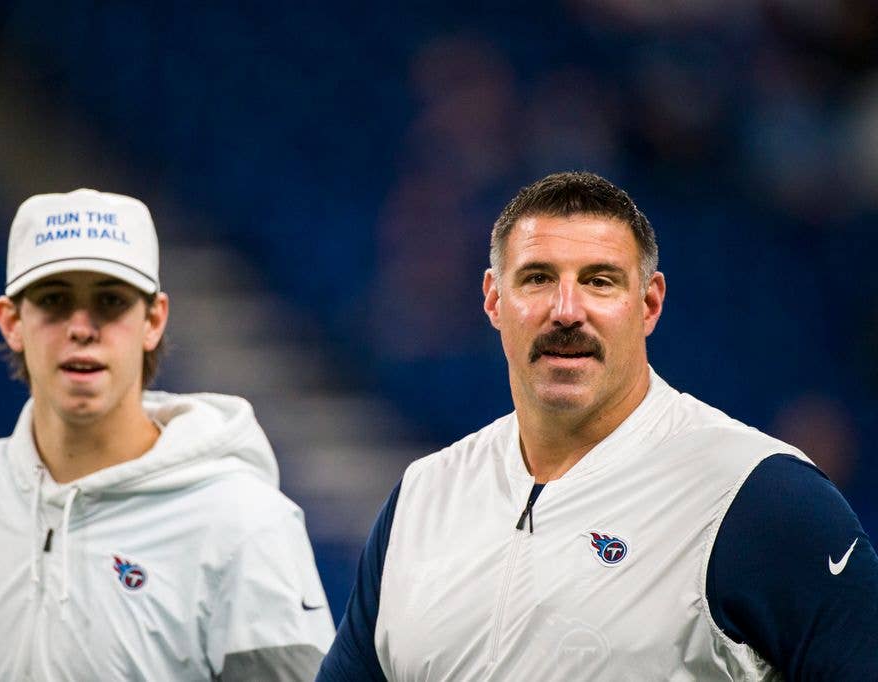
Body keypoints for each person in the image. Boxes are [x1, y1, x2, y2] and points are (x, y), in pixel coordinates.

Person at [318, 171, 878, 680]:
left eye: (600, 281)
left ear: (649, 303)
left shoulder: (759, 496)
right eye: (537, 278)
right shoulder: (422, 497)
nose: (566, 310)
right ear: (494, 300)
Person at [0, 188, 334, 681]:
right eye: (54, 301)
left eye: (110, 302)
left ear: (153, 320)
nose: (81, 327)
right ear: (11, 322)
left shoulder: (245, 523)